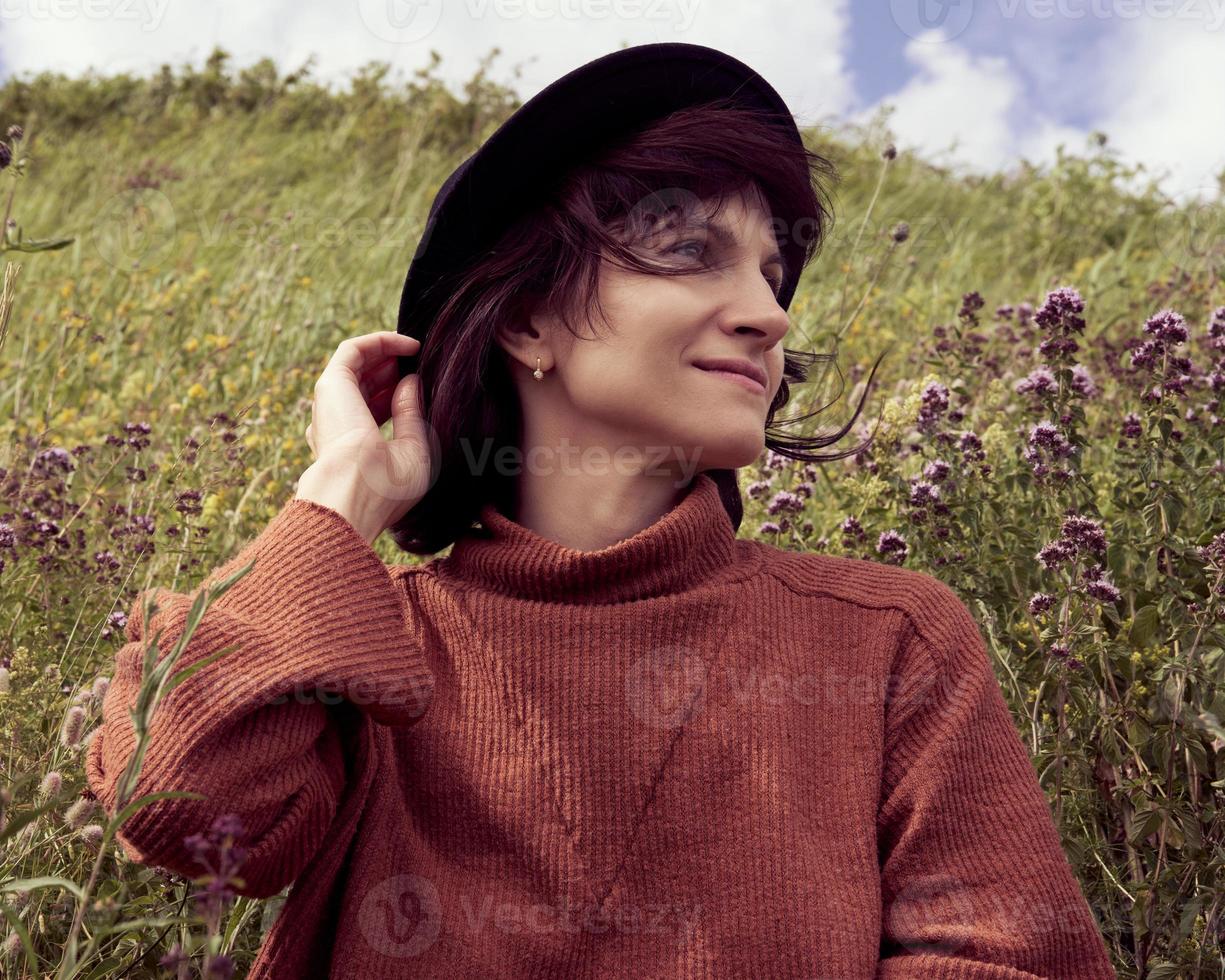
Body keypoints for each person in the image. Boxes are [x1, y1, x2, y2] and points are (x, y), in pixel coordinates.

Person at [85, 44, 1118, 979]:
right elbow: (180, 803)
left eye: (771, 268)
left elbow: (1004, 961)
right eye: (688, 251)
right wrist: (343, 494)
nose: (769, 312)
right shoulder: (362, 642)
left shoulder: (886, 636)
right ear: (529, 316)